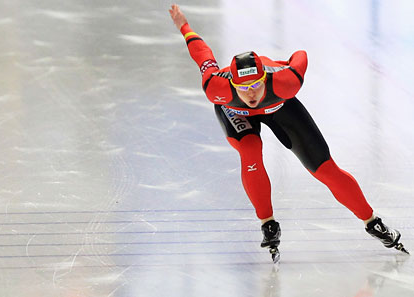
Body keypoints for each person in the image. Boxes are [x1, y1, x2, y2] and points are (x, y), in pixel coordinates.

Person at [168, 4, 408, 262]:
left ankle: (372, 221)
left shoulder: (285, 83)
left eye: (255, 85)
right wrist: (184, 26)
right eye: (243, 87)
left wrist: (281, 66)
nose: (250, 94)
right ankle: (267, 223)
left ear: (264, 80)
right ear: (232, 85)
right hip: (235, 113)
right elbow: (202, 53)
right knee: (250, 149)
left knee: (325, 169)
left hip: (280, 107)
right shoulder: (218, 88)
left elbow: (300, 55)